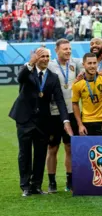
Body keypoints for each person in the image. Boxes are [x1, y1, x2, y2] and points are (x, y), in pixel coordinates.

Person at [10, 48, 73, 197]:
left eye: (47, 56)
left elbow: (59, 100)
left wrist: (65, 120)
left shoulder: (52, 77)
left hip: (43, 121)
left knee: (40, 153)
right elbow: (20, 78)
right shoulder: (28, 70)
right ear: (35, 58)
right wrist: (30, 63)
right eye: (42, 56)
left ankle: (36, 186)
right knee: (25, 153)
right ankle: (25, 186)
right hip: (24, 118)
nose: (45, 59)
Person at [46, 39, 82, 193]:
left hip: (72, 112)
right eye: (65, 49)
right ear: (56, 50)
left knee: (70, 148)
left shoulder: (75, 63)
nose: (68, 51)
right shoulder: (49, 65)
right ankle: (52, 182)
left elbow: (93, 62)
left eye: (70, 49)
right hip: (53, 113)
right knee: (52, 147)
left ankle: (70, 180)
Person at [71, 53, 102, 136]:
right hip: (86, 122)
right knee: (89, 149)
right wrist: (80, 125)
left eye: (94, 63)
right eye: (89, 63)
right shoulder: (77, 83)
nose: (92, 66)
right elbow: (75, 104)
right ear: (83, 65)